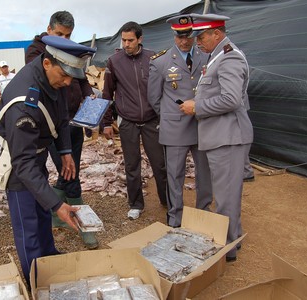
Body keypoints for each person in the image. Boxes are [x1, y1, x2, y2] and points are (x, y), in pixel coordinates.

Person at [0, 35, 96, 285]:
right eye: (65, 75)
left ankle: (49, 257)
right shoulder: (24, 104)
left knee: (41, 214)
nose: (69, 82)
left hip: (34, 153)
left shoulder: (54, 78)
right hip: (17, 164)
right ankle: (35, 280)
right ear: (47, 63)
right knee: (28, 225)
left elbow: (60, 117)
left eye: (73, 76)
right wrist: (57, 205)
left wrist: (65, 152)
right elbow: (23, 164)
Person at [179, 13, 254, 262]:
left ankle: (227, 250)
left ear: (217, 34)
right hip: (223, 135)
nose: (197, 41)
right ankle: (234, 238)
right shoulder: (217, 57)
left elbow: (232, 99)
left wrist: (197, 107)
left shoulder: (229, 57)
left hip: (228, 137)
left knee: (225, 198)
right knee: (227, 195)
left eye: (201, 36)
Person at [25, 10, 98, 249]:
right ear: (49, 29)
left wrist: (90, 99)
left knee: (69, 167)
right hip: (53, 123)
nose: (64, 40)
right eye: (59, 34)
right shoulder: (37, 51)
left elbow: (82, 78)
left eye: (68, 36)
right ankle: (83, 221)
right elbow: (46, 84)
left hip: (74, 120)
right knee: (70, 172)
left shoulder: (71, 49)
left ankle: (57, 213)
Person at [148, 15, 212, 228]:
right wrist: (169, 116)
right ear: (173, 35)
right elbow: (154, 98)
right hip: (175, 128)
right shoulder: (161, 62)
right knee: (175, 175)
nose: (184, 40)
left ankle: (204, 213)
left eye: (188, 35)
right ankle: (175, 217)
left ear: (193, 35)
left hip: (202, 125)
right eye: (180, 36)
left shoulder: (207, 58)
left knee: (204, 173)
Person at [102, 21, 168, 220]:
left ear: (140, 39)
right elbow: (107, 93)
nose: (126, 44)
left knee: (160, 163)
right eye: (123, 40)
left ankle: (167, 200)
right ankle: (136, 204)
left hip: (151, 119)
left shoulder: (154, 58)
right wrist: (106, 122)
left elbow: (165, 88)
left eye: (130, 40)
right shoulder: (114, 61)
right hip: (128, 121)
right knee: (132, 165)